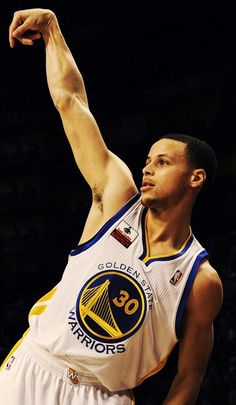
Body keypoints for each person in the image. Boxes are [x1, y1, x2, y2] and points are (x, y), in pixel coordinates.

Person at [0, 8, 223, 405]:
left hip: (104, 396)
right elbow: (71, 102)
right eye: (149, 160)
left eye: (163, 162)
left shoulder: (201, 281)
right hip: (37, 368)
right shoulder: (118, 196)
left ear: (196, 177)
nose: (147, 168)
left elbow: (188, 379)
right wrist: (52, 29)